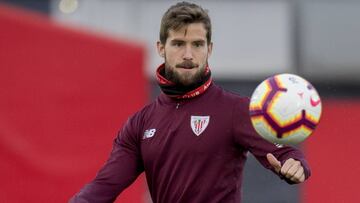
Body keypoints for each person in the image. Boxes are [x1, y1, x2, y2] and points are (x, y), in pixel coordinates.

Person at [69, 1, 310, 202]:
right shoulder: (140, 124)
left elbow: (287, 153)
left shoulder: (236, 110)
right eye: (178, 44)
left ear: (209, 49)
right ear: (161, 48)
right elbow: (104, 187)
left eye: (197, 44)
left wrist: (295, 165)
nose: (188, 55)